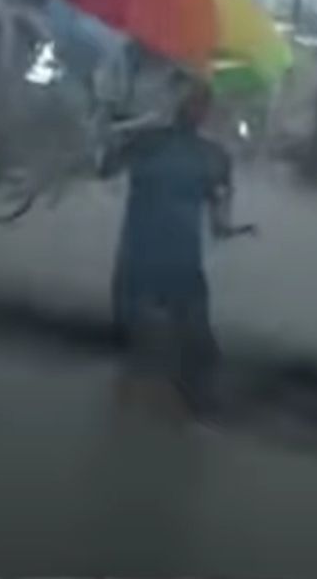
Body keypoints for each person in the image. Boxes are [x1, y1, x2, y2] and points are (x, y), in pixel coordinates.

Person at [102, 75, 255, 414]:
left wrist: (234, 229)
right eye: (189, 100)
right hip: (155, 260)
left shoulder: (172, 147)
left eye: (198, 102)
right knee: (159, 346)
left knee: (178, 346)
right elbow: (104, 166)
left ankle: (170, 407)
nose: (192, 108)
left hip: (161, 260)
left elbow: (219, 222)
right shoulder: (155, 143)